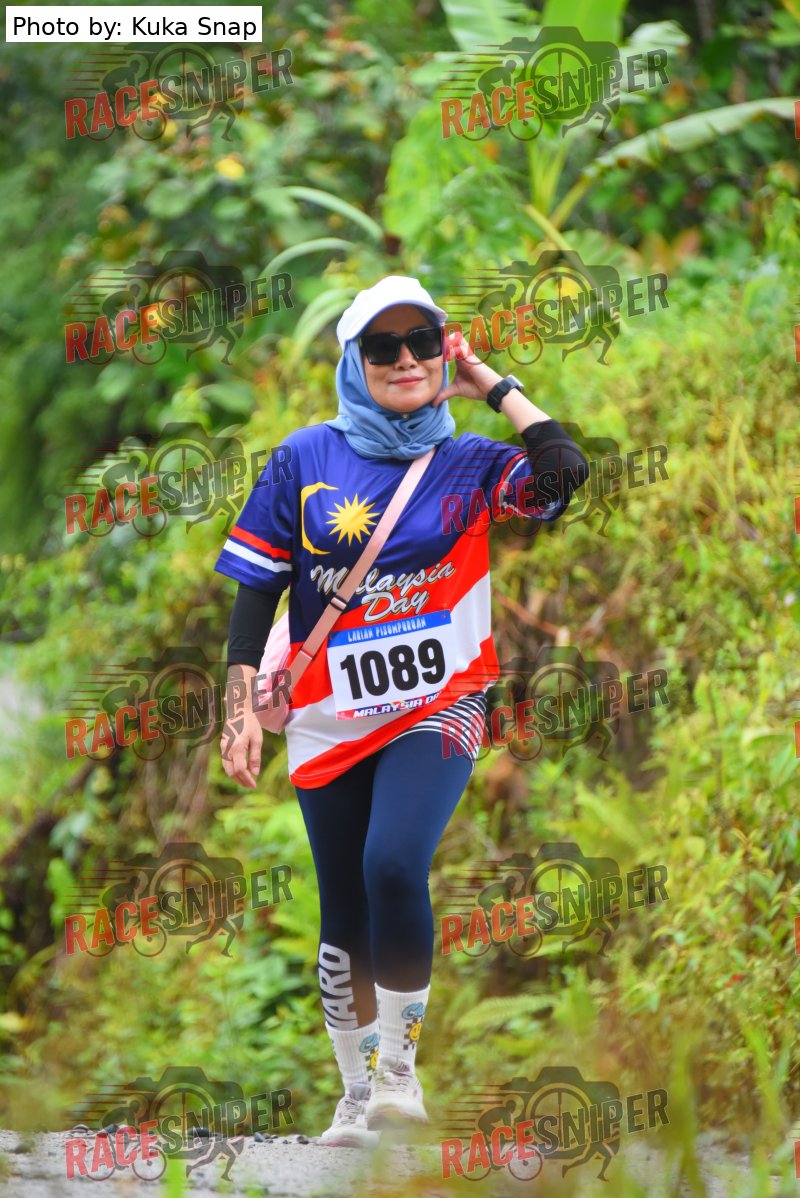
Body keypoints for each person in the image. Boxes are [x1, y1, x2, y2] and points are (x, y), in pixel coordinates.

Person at [216, 276, 589, 1147]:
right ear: (355, 361)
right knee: (343, 905)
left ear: (443, 350)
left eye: (422, 341)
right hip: (327, 715)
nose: (406, 360)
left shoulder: (472, 464)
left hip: (440, 704)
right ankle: (355, 1093)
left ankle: (399, 1076)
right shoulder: (302, 459)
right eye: (383, 347)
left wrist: (493, 384)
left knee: (392, 863)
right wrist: (238, 713)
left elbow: (563, 473)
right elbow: (255, 592)